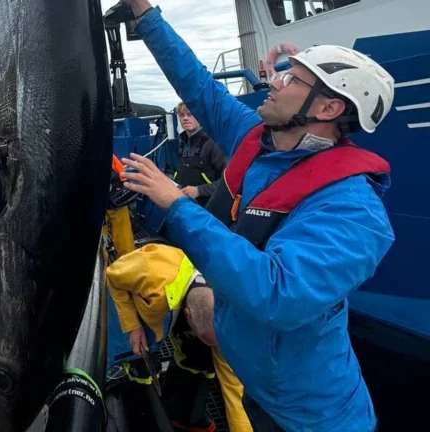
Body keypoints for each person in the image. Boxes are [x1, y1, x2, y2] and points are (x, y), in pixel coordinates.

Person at [118, 2, 395, 431]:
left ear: (327, 110)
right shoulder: (260, 141)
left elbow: (279, 294)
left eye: (291, 78)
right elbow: (199, 86)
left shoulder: (354, 210)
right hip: (260, 390)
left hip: (315, 419)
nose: (274, 80)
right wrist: (145, 14)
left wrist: (178, 205)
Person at [107, 243, 252, 432]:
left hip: (166, 322)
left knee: (201, 360)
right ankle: (138, 415)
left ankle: (184, 414)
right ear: (188, 315)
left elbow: (234, 389)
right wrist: (132, 325)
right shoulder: (152, 269)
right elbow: (112, 275)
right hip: (134, 317)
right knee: (138, 369)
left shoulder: (227, 320)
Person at [173, 102, 227, 206]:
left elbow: (229, 180)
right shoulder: (182, 143)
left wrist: (199, 191)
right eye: (181, 115)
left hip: (210, 208)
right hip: (188, 205)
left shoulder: (213, 143)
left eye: (190, 114)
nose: (185, 118)